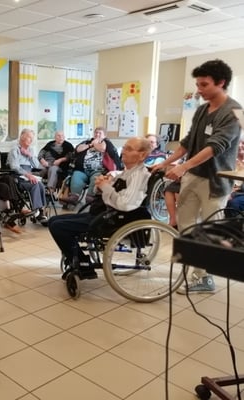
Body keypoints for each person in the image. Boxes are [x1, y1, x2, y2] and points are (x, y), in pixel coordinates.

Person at [152, 59, 242, 294]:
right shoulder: (202, 109)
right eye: (198, 84)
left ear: (221, 83)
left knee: (210, 229)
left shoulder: (235, 112)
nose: (199, 90)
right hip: (193, 176)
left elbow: (216, 146)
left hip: (216, 181)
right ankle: (198, 271)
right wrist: (166, 162)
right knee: (186, 225)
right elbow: (188, 141)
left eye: (204, 85)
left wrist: (183, 167)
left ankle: (205, 278)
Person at [48, 137, 151, 277]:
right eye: (124, 148)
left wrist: (105, 187)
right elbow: (109, 193)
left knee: (58, 226)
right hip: (106, 213)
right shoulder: (127, 172)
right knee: (53, 220)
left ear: (142, 155)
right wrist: (101, 185)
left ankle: (83, 264)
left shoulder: (139, 175)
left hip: (115, 219)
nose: (123, 151)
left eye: (129, 149)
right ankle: (75, 258)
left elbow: (125, 204)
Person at [67, 126, 121, 204]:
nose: (97, 134)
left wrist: (95, 143)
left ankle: (90, 197)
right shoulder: (88, 141)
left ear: (104, 135)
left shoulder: (106, 142)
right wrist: (90, 145)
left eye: (100, 133)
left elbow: (102, 148)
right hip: (82, 169)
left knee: (96, 178)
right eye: (96, 132)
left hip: (98, 170)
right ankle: (74, 196)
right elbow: (78, 149)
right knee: (76, 175)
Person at [7, 128, 48, 225]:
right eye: (29, 137)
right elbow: (14, 167)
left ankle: (41, 210)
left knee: (41, 185)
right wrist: (27, 175)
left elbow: (36, 165)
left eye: (32, 138)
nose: (31, 140)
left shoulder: (30, 150)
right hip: (18, 176)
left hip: (28, 175)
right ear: (22, 136)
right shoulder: (14, 150)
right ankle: (37, 212)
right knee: (35, 185)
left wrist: (29, 155)